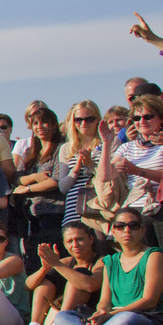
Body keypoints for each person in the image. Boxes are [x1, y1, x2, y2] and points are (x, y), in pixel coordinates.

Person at [46, 209, 163, 325]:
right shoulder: (111, 261)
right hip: (112, 318)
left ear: (142, 230)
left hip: (145, 318)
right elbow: (105, 301)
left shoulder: (153, 256)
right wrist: (100, 313)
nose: (127, 230)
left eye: (133, 226)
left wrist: (110, 315)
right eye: (120, 226)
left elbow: (149, 301)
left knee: (125, 319)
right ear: (113, 231)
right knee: (62, 317)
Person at [16, 223, 101, 325]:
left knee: (78, 277)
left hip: (87, 315)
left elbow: (91, 285)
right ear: (65, 245)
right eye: (70, 241)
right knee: (44, 282)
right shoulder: (67, 261)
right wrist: (44, 269)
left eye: (80, 239)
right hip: (60, 313)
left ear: (91, 239)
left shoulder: (101, 261)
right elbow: (27, 286)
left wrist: (57, 264)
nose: (75, 245)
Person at [10, 107, 65, 239]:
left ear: (54, 125)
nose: (39, 127)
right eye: (35, 123)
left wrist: (27, 188)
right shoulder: (29, 151)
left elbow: (55, 181)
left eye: (44, 122)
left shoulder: (61, 148)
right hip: (28, 211)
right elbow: (17, 179)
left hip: (53, 211)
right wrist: (34, 177)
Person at [59, 99, 103, 231]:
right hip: (74, 210)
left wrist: (90, 165)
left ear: (97, 120)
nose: (83, 123)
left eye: (89, 119)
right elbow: (63, 187)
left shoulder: (107, 143)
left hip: (100, 207)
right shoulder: (67, 148)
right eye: (78, 120)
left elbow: (114, 177)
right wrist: (76, 169)